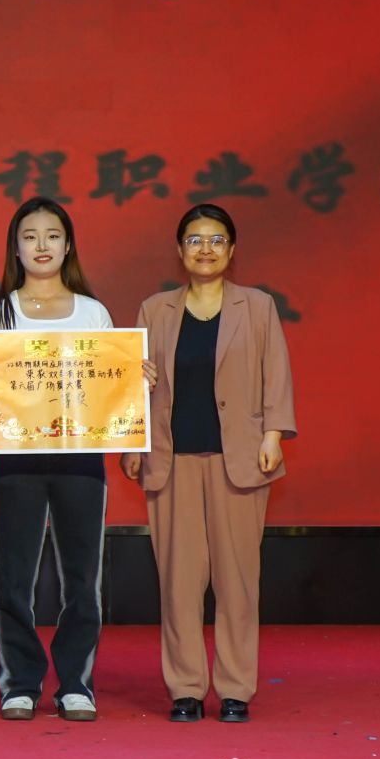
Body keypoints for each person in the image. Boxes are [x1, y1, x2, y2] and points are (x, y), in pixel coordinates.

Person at [0, 198, 152, 723]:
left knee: (82, 579)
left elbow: (109, 385)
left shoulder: (93, 312)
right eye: (30, 236)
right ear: (15, 249)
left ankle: (75, 684)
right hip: (14, 460)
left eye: (52, 235)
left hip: (80, 461)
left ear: (68, 246)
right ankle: (19, 683)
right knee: (12, 579)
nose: (42, 245)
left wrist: (136, 381)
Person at [124, 204, 296, 724]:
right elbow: (131, 385)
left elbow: (276, 371)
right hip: (170, 460)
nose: (206, 249)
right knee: (179, 583)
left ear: (232, 249)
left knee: (237, 582)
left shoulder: (257, 306)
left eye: (216, 240)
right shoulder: (155, 310)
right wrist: (131, 441)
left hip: (238, 461)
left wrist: (273, 434)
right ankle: (186, 689)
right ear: (179, 250)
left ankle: (236, 688)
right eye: (195, 240)